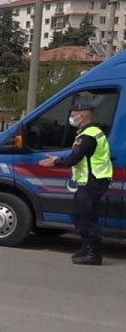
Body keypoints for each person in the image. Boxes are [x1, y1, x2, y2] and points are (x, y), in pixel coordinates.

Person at [39, 103, 114, 265]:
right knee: (77, 214)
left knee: (88, 217)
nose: (71, 118)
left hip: (93, 182)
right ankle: (86, 247)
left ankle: (94, 253)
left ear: (81, 116)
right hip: (90, 181)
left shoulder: (87, 136)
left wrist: (55, 161)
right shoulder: (94, 132)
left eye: (73, 115)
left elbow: (74, 158)